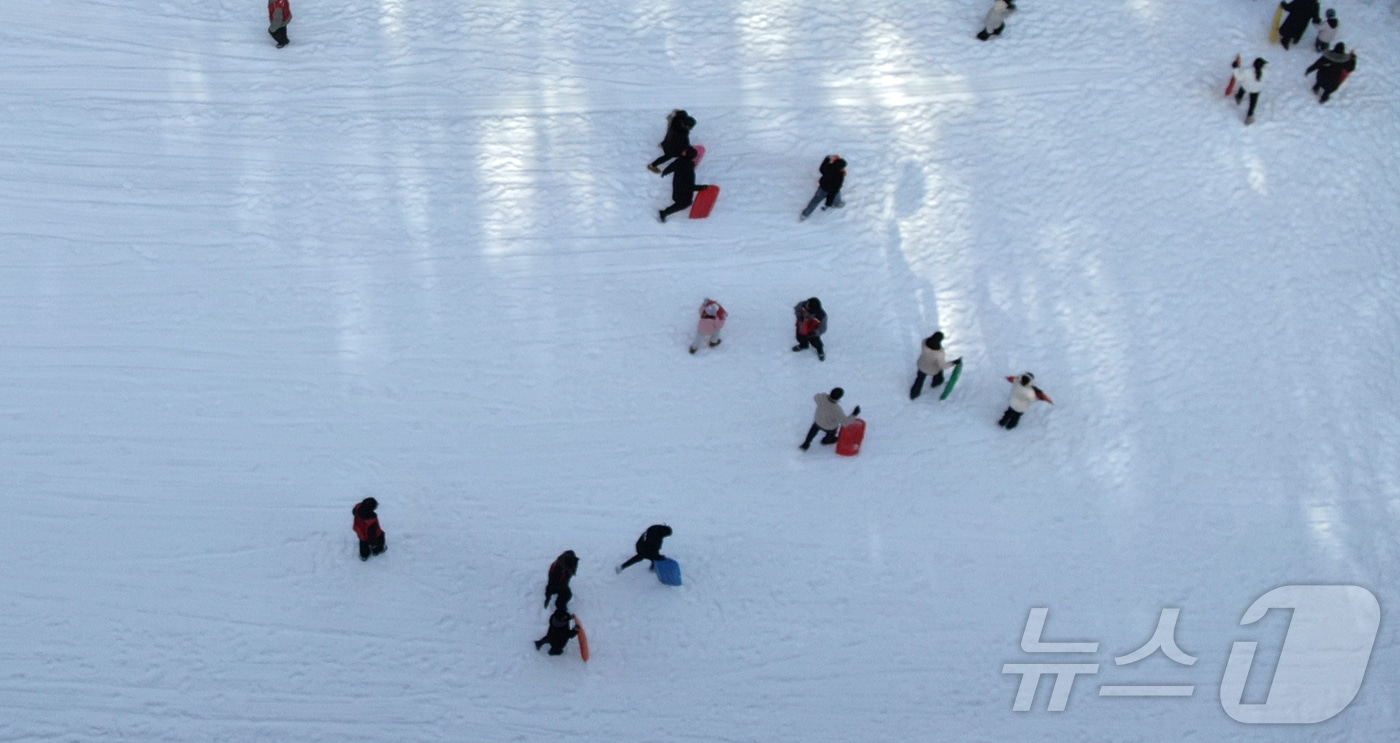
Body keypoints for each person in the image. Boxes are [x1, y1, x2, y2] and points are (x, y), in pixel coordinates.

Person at [658, 148, 711, 222]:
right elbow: (689, 185)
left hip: (677, 186)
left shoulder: (680, 161)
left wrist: (665, 172)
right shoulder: (689, 169)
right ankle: (664, 212)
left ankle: (665, 212)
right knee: (685, 203)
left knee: (680, 201)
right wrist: (701, 187)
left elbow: (671, 167)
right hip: (683, 190)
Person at [910, 332, 962, 400]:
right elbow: (943, 366)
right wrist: (954, 362)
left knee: (919, 379)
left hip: (922, 365)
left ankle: (914, 394)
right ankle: (936, 383)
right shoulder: (939, 353)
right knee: (939, 373)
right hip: (933, 369)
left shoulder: (924, 342)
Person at [800, 155, 847, 221]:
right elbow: (833, 191)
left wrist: (827, 159)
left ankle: (805, 215)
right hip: (832, 189)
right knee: (836, 193)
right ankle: (837, 203)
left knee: (815, 200)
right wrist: (828, 203)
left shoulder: (829, 167)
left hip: (822, 188)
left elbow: (822, 168)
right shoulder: (839, 176)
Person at [1231, 57, 1267, 125]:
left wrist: (1235, 68)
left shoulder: (1247, 71)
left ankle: (1238, 98)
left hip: (1246, 86)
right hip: (1256, 89)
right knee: (1252, 103)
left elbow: (1238, 77)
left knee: (1242, 89)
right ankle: (1249, 117)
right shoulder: (1265, 72)